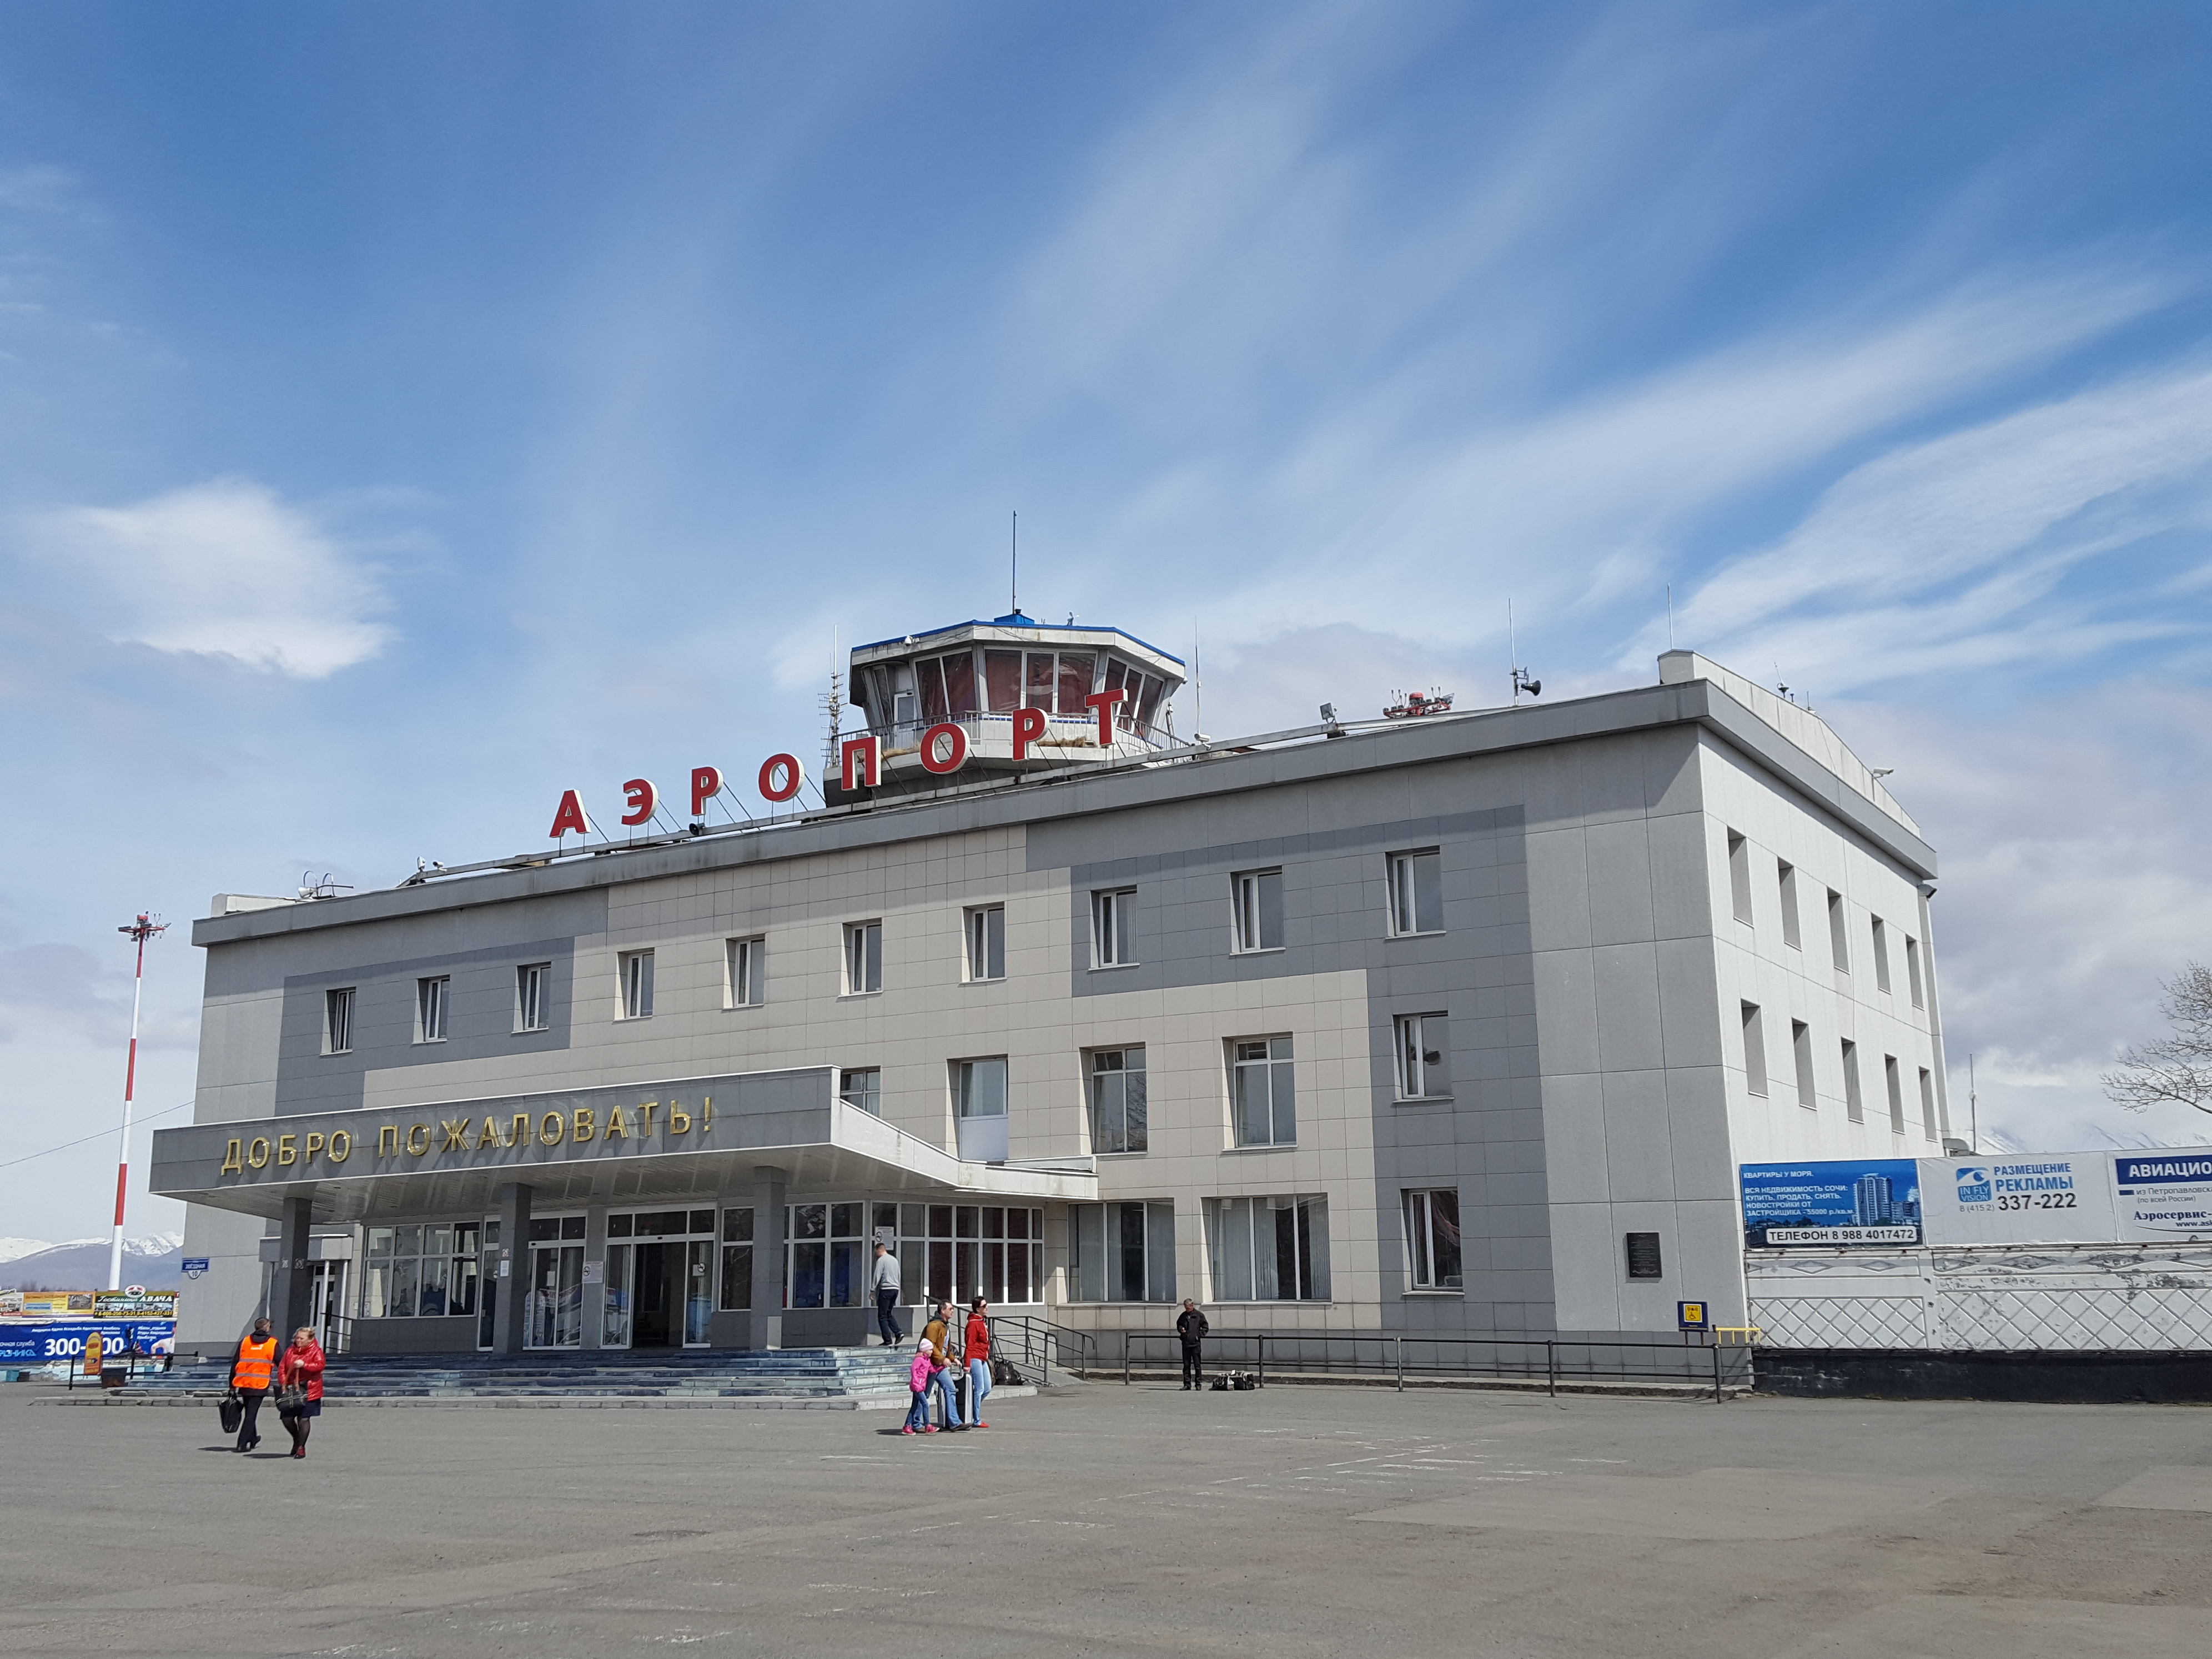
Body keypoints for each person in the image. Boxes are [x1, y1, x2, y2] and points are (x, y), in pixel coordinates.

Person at [228, 1318, 279, 1452]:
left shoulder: (245, 1342)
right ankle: (242, 1444)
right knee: (251, 1414)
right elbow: (281, 1362)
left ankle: (253, 1438)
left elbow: (235, 1364)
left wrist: (231, 1385)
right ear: (267, 1327)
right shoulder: (272, 1343)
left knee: (249, 1411)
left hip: (244, 1383)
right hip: (260, 1384)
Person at [276, 1325, 326, 1460]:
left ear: (310, 1339)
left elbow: (320, 1366)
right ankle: (297, 1439)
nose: (298, 1340)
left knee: (303, 1419)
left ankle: (301, 1447)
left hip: (310, 1390)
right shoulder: (290, 1351)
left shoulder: (316, 1351)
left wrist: (305, 1365)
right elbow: (282, 1368)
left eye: (301, 1338)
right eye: (297, 1338)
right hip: (291, 1390)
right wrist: (283, 1382)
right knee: (286, 1419)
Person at [921, 1301, 964, 1429]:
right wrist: (942, 1359)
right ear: (943, 1311)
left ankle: (954, 1422)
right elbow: (930, 1346)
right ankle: (915, 1422)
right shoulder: (934, 1325)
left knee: (950, 1388)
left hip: (939, 1365)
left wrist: (952, 1359)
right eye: (950, 1309)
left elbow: (944, 1348)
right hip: (931, 1364)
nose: (953, 1311)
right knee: (925, 1394)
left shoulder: (945, 1326)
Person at [964, 1297, 993, 1429]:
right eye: (984, 1306)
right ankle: (976, 1418)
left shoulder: (982, 1321)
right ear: (978, 1309)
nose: (987, 1307)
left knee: (987, 1388)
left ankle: (970, 1410)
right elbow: (969, 1345)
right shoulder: (973, 1323)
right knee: (979, 1388)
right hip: (975, 1357)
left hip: (983, 1357)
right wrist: (967, 1364)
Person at [871, 1241, 905, 1348]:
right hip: (895, 1289)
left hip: (886, 1289)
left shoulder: (881, 1260)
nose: (875, 1254)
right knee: (888, 1313)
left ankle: (888, 1340)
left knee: (882, 1316)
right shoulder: (895, 1260)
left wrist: (873, 1290)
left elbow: (877, 1275)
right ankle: (898, 1332)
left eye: (876, 1251)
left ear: (879, 1250)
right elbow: (899, 1275)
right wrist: (898, 1288)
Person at [902, 1340, 940, 1434]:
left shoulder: (927, 1360)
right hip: (917, 1387)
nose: (932, 1351)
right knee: (925, 1404)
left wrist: (943, 1366)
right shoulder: (919, 1360)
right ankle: (928, 1425)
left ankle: (907, 1426)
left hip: (921, 1387)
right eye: (930, 1350)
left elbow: (932, 1370)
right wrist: (916, 1385)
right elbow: (914, 1371)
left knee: (914, 1407)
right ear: (925, 1350)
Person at [1177, 1299, 1210, 1391]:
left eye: (1189, 1308)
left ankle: (1198, 1384)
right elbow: (1179, 1325)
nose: (1187, 1310)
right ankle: (1187, 1384)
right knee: (1186, 1365)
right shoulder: (1183, 1316)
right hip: (1186, 1343)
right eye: (1186, 1308)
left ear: (1192, 1306)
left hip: (1195, 1344)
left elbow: (1205, 1327)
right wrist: (1181, 1329)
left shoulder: (1199, 1315)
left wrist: (1198, 1336)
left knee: (1197, 1365)